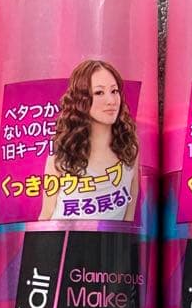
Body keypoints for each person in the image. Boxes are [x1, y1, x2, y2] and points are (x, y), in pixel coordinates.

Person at [41, 59, 139, 222]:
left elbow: (132, 197)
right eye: (99, 93)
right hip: (65, 236)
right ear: (81, 100)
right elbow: (47, 213)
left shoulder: (129, 144)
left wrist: (125, 234)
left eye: (114, 91)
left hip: (113, 237)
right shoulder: (62, 152)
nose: (111, 101)